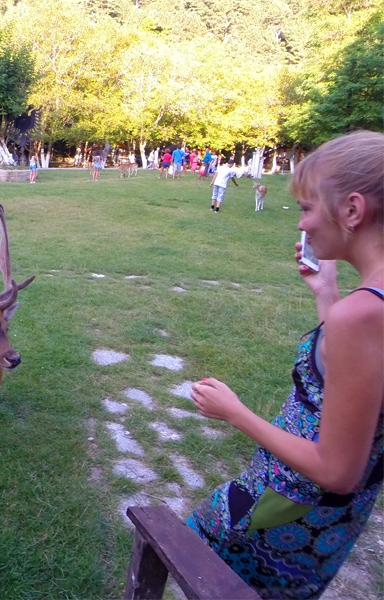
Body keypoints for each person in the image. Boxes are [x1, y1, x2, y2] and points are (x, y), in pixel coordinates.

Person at [187, 130, 384, 599]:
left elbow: (336, 469)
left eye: (307, 208)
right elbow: (356, 394)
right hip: (332, 524)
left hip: (285, 508)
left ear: (353, 211)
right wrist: (327, 295)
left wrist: (235, 413)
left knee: (192, 544)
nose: (303, 223)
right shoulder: (364, 309)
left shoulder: (362, 315)